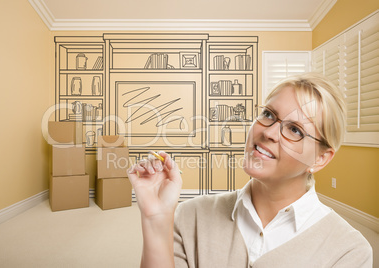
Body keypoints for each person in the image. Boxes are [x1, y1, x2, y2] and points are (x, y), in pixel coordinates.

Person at [127, 73, 373, 268]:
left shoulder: (349, 251)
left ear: (320, 159)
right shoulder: (190, 215)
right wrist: (156, 219)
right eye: (268, 114)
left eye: (295, 130)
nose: (268, 132)